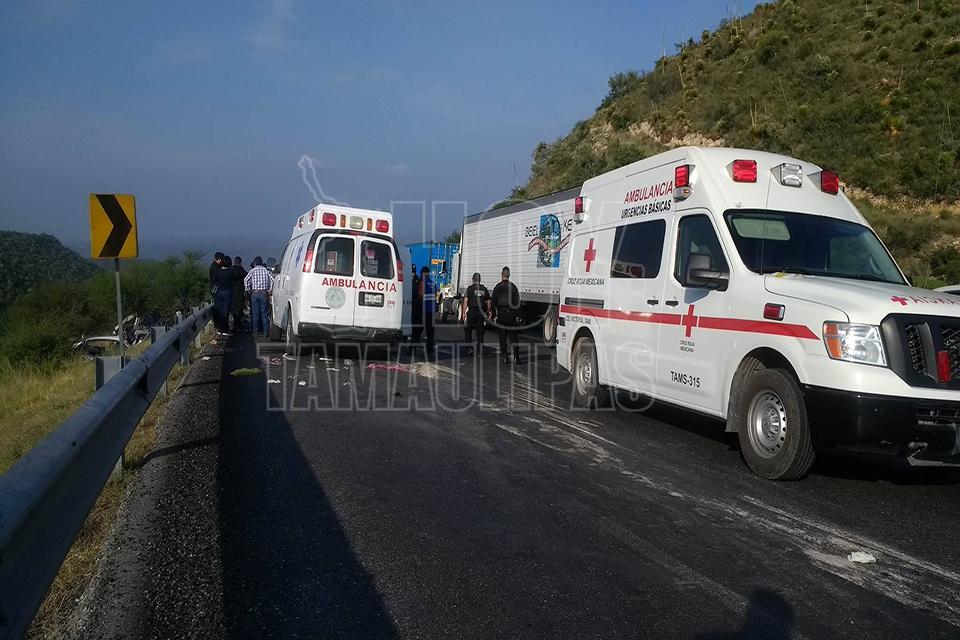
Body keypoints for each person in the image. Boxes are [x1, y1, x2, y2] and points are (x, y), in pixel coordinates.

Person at [492, 266, 521, 364]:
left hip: (501, 314)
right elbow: (517, 303)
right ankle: (516, 356)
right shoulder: (513, 287)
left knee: (502, 336)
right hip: (511, 314)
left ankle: (505, 355)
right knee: (513, 337)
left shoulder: (497, 287)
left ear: (501, 275)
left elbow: (493, 302)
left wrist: (494, 314)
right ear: (509, 275)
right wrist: (518, 316)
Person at [461, 272, 491, 357]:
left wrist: (463, 313)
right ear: (480, 280)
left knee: (468, 330)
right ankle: (480, 352)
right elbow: (488, 302)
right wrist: (489, 311)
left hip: (472, 312)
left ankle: (469, 349)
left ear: (473, 280)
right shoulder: (484, 289)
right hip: (481, 312)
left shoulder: (470, 289)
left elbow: (465, 301)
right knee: (480, 332)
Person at [244, 256, 275, 338]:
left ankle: (255, 333)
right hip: (264, 293)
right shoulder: (266, 271)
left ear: (255, 263)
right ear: (261, 262)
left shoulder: (252, 271)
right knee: (264, 314)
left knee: (255, 314)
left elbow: (246, 280)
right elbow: (273, 280)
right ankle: (266, 332)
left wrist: (248, 289)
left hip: (255, 293)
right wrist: (270, 290)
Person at [210, 253, 234, 335]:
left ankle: (220, 329)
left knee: (219, 311)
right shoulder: (230, 272)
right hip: (227, 292)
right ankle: (225, 329)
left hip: (219, 292)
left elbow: (214, 281)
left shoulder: (217, 271)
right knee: (226, 311)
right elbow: (233, 282)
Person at [419, 266, 436, 355]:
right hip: (432, 311)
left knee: (418, 330)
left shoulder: (423, 283)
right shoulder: (433, 284)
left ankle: (413, 347)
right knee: (430, 332)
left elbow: (420, 295)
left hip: (424, 310)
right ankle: (429, 350)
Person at [231, 256, 247, 332]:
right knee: (239, 309)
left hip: (232, 292)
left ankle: (235, 324)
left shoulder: (231, 270)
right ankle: (238, 325)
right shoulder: (241, 270)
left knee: (234, 308)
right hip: (240, 291)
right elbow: (246, 276)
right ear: (240, 262)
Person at [410, 263, 423, 343]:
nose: (413, 273)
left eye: (414, 271)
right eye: (412, 271)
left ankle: (415, 339)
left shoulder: (418, 280)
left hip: (415, 303)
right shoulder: (406, 278)